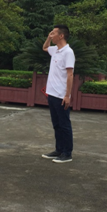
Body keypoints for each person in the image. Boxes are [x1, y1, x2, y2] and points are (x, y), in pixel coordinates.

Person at [41, 25, 76, 164]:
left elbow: (70, 75)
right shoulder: (55, 50)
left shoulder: (68, 52)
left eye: (53, 33)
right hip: (51, 93)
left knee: (64, 125)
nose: (51, 35)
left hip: (61, 95)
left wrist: (67, 95)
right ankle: (59, 149)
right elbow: (45, 47)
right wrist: (48, 38)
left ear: (61, 36)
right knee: (56, 124)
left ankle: (67, 153)